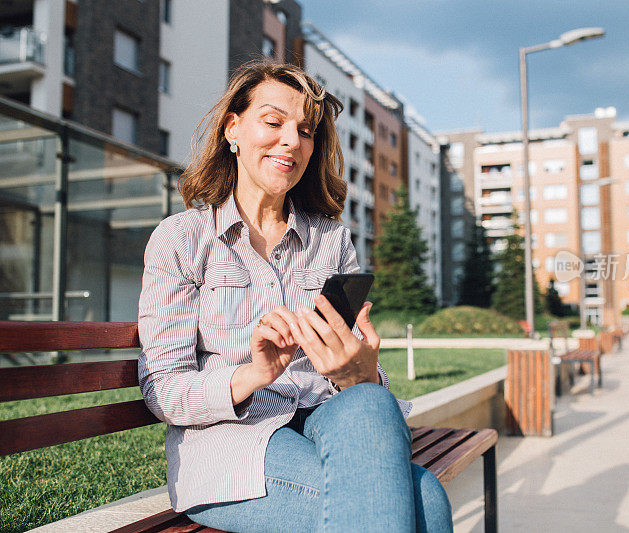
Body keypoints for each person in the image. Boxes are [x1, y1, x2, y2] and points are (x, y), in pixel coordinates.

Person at [137, 61, 453, 532]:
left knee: (371, 402)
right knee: (426, 502)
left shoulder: (332, 242)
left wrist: (362, 372)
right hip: (232, 442)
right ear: (233, 130)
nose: (292, 141)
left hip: (329, 418)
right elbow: (162, 390)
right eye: (273, 122)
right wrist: (255, 372)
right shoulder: (181, 240)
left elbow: (362, 378)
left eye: (306, 131)